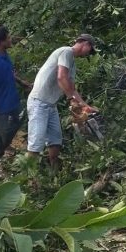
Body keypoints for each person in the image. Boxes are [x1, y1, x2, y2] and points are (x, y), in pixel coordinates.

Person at [26, 34, 96, 170]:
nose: (88, 54)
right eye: (90, 49)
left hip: (51, 105)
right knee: (36, 142)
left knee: (55, 140)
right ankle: (28, 177)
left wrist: (85, 106)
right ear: (86, 44)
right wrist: (71, 100)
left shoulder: (72, 63)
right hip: (39, 102)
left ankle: (54, 172)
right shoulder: (66, 52)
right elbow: (61, 77)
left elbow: (72, 88)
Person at [0, 26, 32, 161]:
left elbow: (9, 73)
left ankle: (5, 144)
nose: (10, 40)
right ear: (1, 41)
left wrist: (21, 82)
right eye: (8, 38)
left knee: (18, 121)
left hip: (12, 98)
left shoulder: (4, 55)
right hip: (1, 103)